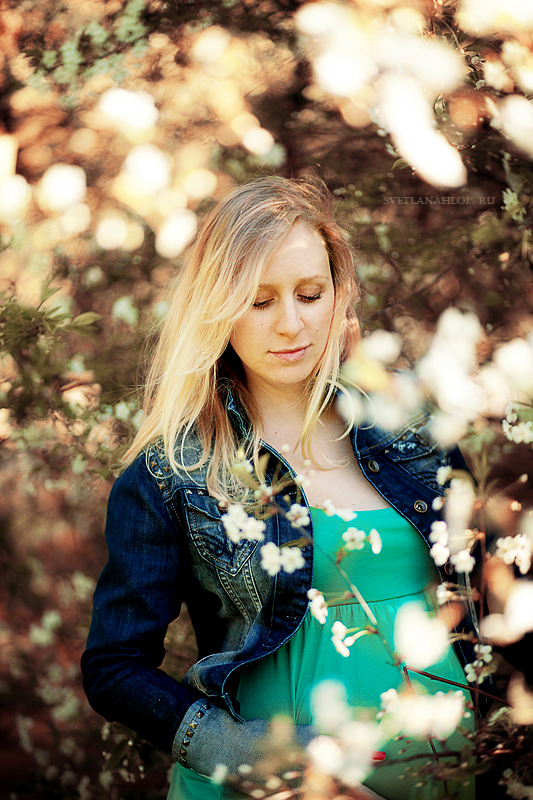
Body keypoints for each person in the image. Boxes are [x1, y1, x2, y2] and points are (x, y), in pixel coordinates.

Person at [82, 177, 478, 800]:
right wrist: (249, 758)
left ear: (338, 293)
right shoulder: (172, 473)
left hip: (448, 774)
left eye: (310, 294)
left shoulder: (412, 420)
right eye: (259, 301)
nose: (291, 324)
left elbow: (494, 593)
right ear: (219, 310)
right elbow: (115, 668)